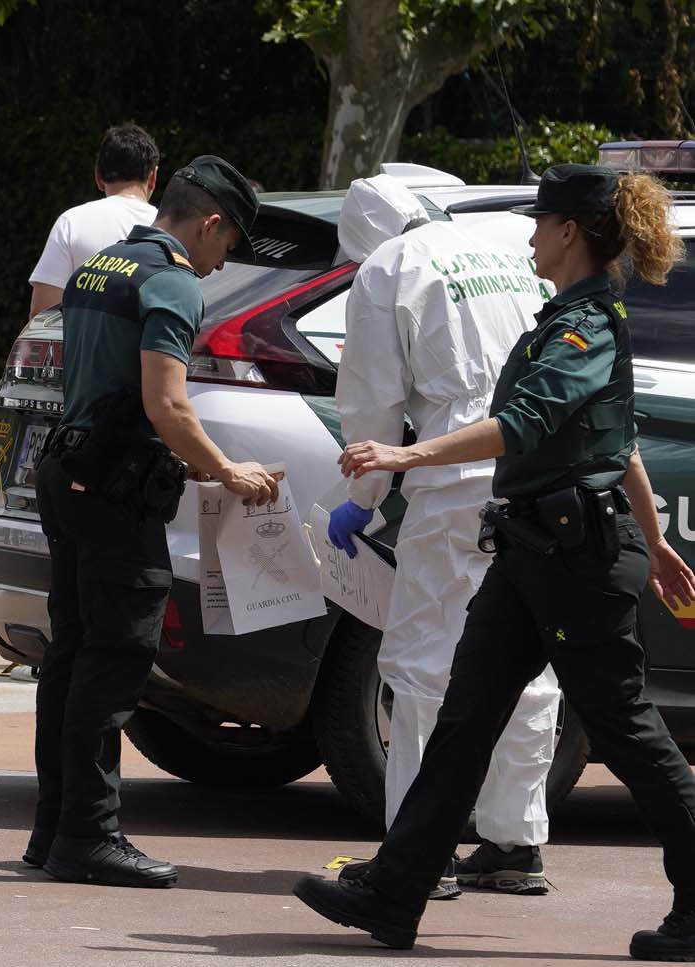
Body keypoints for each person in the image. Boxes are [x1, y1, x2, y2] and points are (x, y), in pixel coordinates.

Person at [292, 164, 695, 958]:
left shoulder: (586, 327)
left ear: (571, 232)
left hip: (574, 560)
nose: (532, 236)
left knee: (627, 728)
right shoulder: (560, 316)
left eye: (543, 223)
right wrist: (658, 542)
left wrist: (407, 457)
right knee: (465, 715)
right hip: (527, 549)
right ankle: (396, 890)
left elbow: (522, 421)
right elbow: (626, 444)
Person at [30, 156, 279, 888]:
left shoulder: (100, 265)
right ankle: (88, 834)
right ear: (208, 224)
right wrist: (227, 470)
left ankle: (54, 828)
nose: (221, 261)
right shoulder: (169, 280)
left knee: (70, 660)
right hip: (116, 491)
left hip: (69, 473)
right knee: (112, 665)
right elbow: (166, 404)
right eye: (227, 244)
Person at [326, 174, 561, 899]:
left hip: (455, 480)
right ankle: (514, 842)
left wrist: (359, 501)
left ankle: (417, 850)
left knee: (422, 664)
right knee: (526, 659)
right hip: (539, 476)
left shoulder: (385, 269)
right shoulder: (498, 247)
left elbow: (371, 400)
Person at [26, 123, 159, 320]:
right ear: (153, 177)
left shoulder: (71, 222)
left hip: (80, 350)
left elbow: (42, 315)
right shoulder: (169, 229)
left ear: (98, 176)